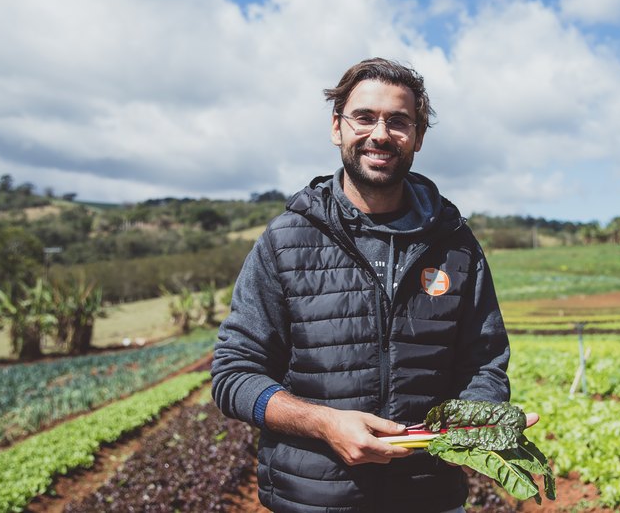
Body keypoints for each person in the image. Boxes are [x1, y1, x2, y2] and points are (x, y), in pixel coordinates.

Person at [211, 58, 511, 512]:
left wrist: (472, 420)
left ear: (419, 137)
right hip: (311, 502)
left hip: (428, 499)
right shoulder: (285, 241)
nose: (380, 133)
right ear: (337, 127)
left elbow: (485, 363)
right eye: (364, 117)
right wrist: (322, 423)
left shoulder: (456, 244)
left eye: (398, 121)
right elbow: (233, 374)